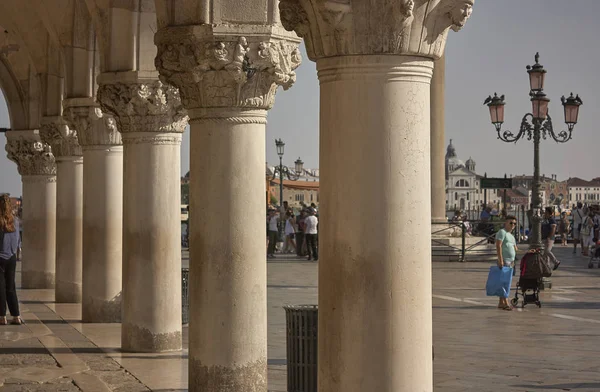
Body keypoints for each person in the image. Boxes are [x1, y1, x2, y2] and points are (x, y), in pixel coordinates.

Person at [0, 194, 22, 325]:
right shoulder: (15, 221)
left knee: (0, 288)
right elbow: (18, 240)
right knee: (11, 287)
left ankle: (2, 316)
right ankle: (16, 316)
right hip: (11, 258)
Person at [495, 215, 518, 311]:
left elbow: (515, 249)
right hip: (505, 260)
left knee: (505, 282)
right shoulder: (502, 232)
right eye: (511, 223)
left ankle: (501, 302)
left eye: (515, 223)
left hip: (512, 261)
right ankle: (506, 303)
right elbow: (498, 245)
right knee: (505, 283)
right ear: (506, 223)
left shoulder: (512, 236)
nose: (513, 225)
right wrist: (500, 260)